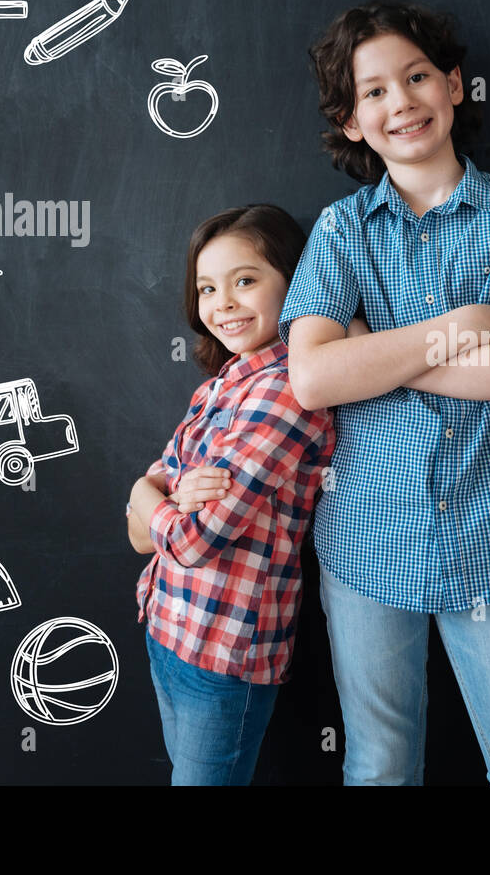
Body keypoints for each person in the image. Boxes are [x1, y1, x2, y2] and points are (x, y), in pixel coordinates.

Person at [280, 1, 490, 785]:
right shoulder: (341, 233)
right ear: (351, 122)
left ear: (453, 85)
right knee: (378, 767)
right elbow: (312, 376)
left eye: (416, 77)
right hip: (368, 539)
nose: (400, 102)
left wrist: (371, 355)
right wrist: (462, 328)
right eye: (372, 92)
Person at [127, 204, 335, 785]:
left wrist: (146, 492)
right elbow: (139, 535)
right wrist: (153, 497)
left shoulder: (289, 391)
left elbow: (190, 540)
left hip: (224, 652)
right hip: (168, 625)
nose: (223, 304)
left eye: (245, 281)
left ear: (296, 281)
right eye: (207, 288)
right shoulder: (219, 386)